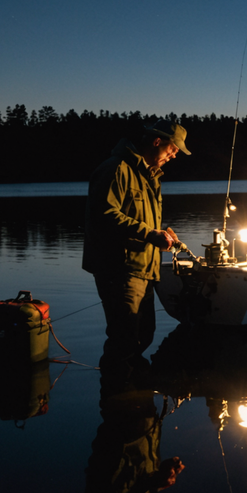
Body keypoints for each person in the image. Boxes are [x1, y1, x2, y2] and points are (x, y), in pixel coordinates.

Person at [83, 119, 190, 363]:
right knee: (125, 338)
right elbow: (105, 215)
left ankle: (135, 395)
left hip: (143, 270)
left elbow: (135, 219)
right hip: (120, 271)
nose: (174, 156)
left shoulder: (150, 175)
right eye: (172, 150)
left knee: (144, 335)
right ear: (157, 142)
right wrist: (151, 234)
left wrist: (162, 233)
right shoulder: (116, 169)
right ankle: (117, 394)